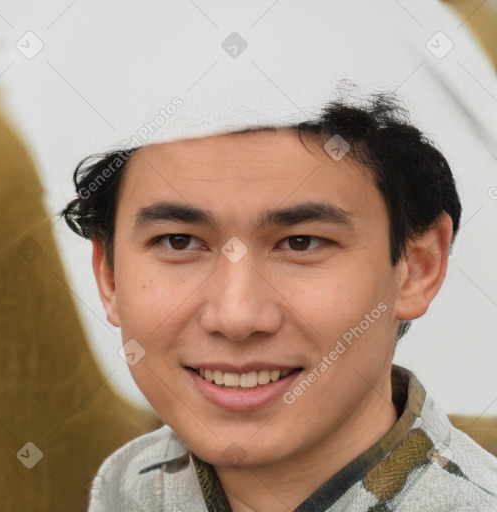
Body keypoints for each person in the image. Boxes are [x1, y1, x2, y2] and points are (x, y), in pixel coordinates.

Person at [60, 90, 497, 511]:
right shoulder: (130, 483)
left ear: (416, 268)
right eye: (179, 241)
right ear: (109, 274)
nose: (236, 316)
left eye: (302, 243)